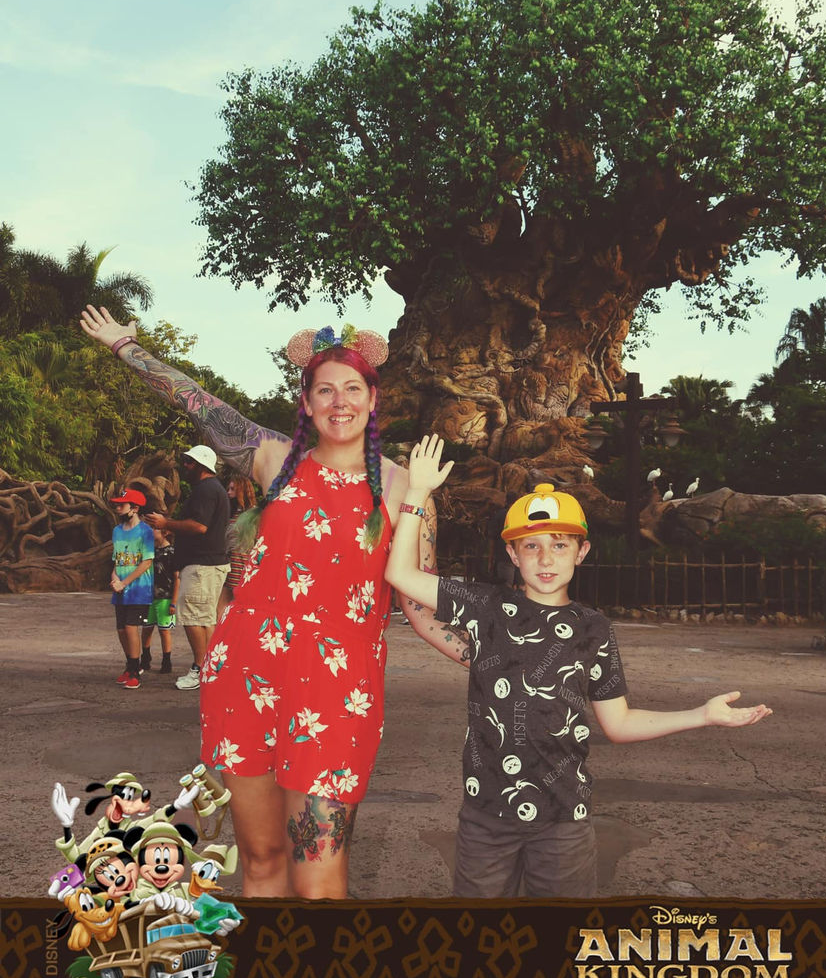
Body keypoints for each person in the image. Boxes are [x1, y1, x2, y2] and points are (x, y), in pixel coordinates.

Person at [80, 307, 469, 899]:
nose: (340, 402)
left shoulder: (402, 487)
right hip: (246, 677)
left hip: (339, 693)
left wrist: (503, 651)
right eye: (325, 390)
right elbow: (197, 402)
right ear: (307, 402)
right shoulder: (269, 458)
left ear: (373, 399)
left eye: (353, 389)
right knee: (260, 860)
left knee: (318, 871)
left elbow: (421, 601)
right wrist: (126, 348)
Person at [386, 435, 773, 899]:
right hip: (486, 815)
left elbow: (620, 722)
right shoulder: (486, 606)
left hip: (563, 819)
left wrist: (702, 715)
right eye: (530, 547)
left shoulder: (594, 629)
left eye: (559, 545)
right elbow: (402, 576)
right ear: (512, 555)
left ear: (582, 552)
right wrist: (416, 495)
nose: (546, 559)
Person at [145, 445, 230, 692]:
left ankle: (200, 668)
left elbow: (199, 526)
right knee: (205, 619)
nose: (185, 466)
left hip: (202, 565)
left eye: (190, 463)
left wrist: (166, 522)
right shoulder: (213, 489)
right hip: (209, 564)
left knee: (194, 617)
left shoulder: (205, 489)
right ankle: (210, 668)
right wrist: (173, 527)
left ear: (202, 466)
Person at [109, 488, 155, 691]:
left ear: (135, 508)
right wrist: (114, 578)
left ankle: (136, 671)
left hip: (139, 589)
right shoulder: (117, 531)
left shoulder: (145, 531)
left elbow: (146, 562)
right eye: (117, 504)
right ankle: (129, 664)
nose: (118, 507)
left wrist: (124, 582)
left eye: (122, 504)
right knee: (121, 629)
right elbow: (116, 560)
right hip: (119, 589)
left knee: (130, 627)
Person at [218, 474, 256, 622]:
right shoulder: (233, 513)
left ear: (243, 490)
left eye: (233, 489)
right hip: (228, 567)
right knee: (221, 611)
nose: (229, 493)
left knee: (239, 612)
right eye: (228, 489)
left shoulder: (253, 514)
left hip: (242, 568)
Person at [140, 526, 178, 674]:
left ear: (165, 532)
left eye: (155, 529)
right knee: (146, 628)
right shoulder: (150, 551)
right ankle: (145, 657)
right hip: (149, 597)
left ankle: (166, 660)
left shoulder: (172, 553)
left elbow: (176, 578)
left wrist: (174, 601)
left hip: (165, 597)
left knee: (164, 630)